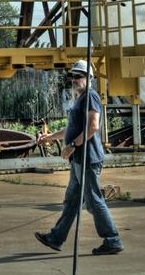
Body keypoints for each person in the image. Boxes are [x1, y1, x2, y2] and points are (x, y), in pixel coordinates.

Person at [34, 59, 124, 256]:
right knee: (72, 200)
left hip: (87, 158)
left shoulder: (90, 96)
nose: (74, 79)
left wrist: (73, 146)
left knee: (93, 200)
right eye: (72, 76)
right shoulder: (81, 99)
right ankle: (56, 238)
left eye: (79, 76)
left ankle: (112, 239)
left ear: (89, 78)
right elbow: (71, 129)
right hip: (79, 159)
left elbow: (92, 126)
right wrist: (50, 137)